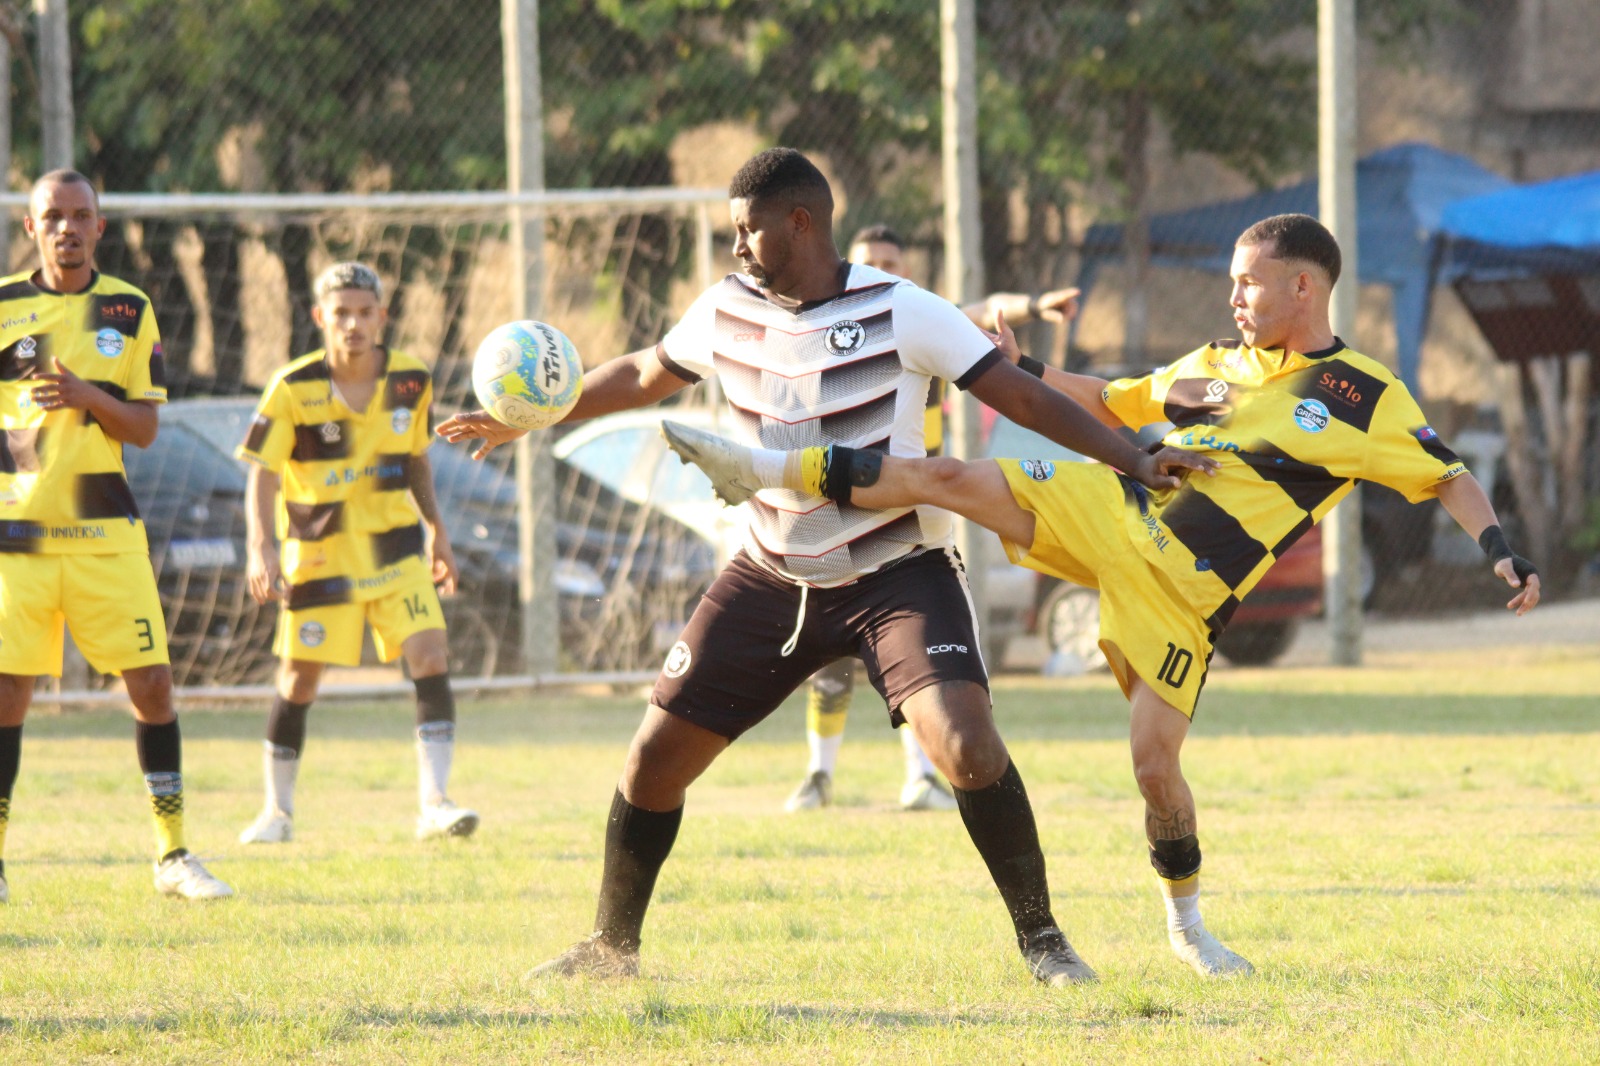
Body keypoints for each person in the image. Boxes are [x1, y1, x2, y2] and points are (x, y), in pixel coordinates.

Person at [662, 212, 1542, 978]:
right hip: (1110, 506)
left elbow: (1447, 476)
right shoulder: (1215, 366)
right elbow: (1110, 402)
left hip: (1181, 600)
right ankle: (764, 471)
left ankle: (1188, 929)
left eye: (1249, 285)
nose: (1234, 298)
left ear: (1304, 288)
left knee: (1156, 770)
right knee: (947, 474)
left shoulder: (1361, 396)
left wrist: (1499, 548)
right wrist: (1016, 364)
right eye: (1232, 283)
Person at [439, 147, 1210, 985]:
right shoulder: (722, 309)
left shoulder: (906, 310)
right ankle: (609, 949)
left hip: (897, 575)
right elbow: (641, 373)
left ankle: (1045, 942)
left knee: (967, 747)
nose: (735, 246)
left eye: (747, 228)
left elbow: (1021, 397)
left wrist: (1133, 457)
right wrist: (539, 414)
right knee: (652, 760)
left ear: (799, 222)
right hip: (770, 574)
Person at [786, 224, 1083, 814]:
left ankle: (921, 777)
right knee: (830, 654)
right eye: (872, 260)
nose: (882, 268)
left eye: (892, 260)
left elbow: (980, 311)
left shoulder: (918, 315)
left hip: (914, 505)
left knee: (916, 649)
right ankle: (819, 776)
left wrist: (1033, 305)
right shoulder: (829, 325)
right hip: (839, 500)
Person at [0, 169, 233, 902]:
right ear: (31, 227)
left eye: (81, 215)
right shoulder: (2, 306)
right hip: (20, 537)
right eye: (52, 216)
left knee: (153, 686)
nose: (67, 227)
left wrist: (85, 395)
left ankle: (172, 855)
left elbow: (146, 428)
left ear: (100, 227)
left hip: (106, 536)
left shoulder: (128, 309)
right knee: (7, 695)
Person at [235, 262, 476, 844]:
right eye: (340, 313)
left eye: (364, 312)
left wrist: (437, 531)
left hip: (395, 552)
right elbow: (263, 473)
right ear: (320, 318)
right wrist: (260, 547)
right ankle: (277, 813)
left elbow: (416, 460)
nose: (353, 324)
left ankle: (434, 805)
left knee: (431, 655)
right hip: (319, 557)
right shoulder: (292, 386)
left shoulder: (412, 379)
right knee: (299, 681)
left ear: (382, 317)